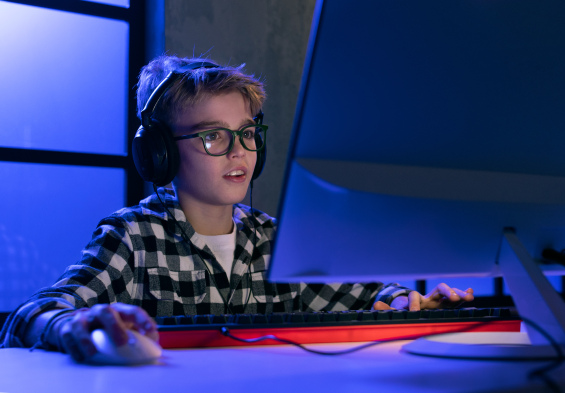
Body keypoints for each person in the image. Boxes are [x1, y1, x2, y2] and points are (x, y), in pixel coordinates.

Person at [0, 55, 474, 362]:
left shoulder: (273, 238)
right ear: (159, 153)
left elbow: (363, 293)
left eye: (247, 133)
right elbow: (29, 315)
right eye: (211, 136)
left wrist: (400, 301)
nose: (238, 152)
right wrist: (76, 324)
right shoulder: (132, 236)